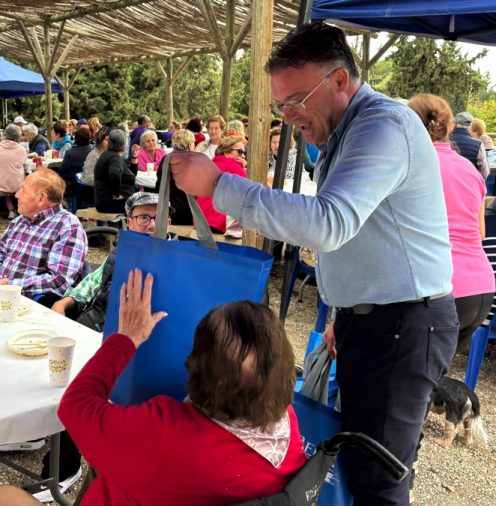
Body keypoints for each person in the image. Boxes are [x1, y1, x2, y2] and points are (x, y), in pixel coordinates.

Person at [169, 22, 458, 505]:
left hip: (404, 324)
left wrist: (220, 186)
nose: (289, 114)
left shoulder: (381, 125)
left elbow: (328, 224)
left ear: (341, 81)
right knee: (365, 458)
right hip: (376, 319)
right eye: (280, 104)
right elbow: (359, 236)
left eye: (297, 98)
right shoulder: (341, 131)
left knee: (377, 478)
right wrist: (343, 312)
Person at [0, 276, 306, 506]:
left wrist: (126, 338)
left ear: (194, 364)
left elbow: (75, 406)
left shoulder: (163, 432)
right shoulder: (286, 423)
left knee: (0, 496)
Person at [408, 94, 495, 351]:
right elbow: (479, 233)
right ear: (451, 127)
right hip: (480, 290)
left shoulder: (413, 164)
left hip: (439, 288)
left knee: (398, 379)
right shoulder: (471, 170)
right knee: (428, 378)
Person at [52, 192, 174, 328]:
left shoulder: (179, 263)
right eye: (144, 218)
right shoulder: (121, 251)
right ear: (130, 223)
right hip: (95, 326)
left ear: (168, 223)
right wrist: (62, 303)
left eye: (160, 218)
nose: (152, 225)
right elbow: (92, 284)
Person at [0, 170, 87, 304]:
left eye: (23, 191)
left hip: (29, 303)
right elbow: (0, 253)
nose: (16, 195)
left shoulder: (68, 226)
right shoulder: (20, 221)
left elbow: (60, 281)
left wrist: (13, 285)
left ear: (41, 198)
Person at [198, 137, 247, 234]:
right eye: (239, 152)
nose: (243, 156)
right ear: (226, 152)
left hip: (201, 219)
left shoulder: (212, 163)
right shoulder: (232, 165)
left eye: (243, 152)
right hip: (217, 222)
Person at [155, 129, 195, 225]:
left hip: (166, 207)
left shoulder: (166, 159)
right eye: (193, 143)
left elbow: (159, 183)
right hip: (186, 210)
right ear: (189, 145)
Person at [0, 123, 27, 219]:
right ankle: (19, 209)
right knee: (15, 179)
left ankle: (11, 210)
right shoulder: (21, 150)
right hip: (15, 184)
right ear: (18, 136)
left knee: (5, 179)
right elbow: (25, 166)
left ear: (5, 134)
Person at [94, 129, 137, 213]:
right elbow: (114, 173)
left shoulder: (111, 155)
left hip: (104, 201)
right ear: (124, 144)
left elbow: (131, 175)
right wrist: (116, 194)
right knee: (145, 205)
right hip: (109, 202)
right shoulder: (114, 158)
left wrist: (134, 157)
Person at [56, 127, 93, 199]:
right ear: (89, 138)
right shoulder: (94, 151)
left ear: (76, 139)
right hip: (91, 185)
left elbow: (61, 170)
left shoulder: (70, 153)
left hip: (73, 186)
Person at [450, 111, 488, 178]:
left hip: (447, 184)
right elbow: (484, 172)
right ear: (470, 126)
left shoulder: (444, 141)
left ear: (454, 124)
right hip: (470, 183)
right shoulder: (478, 144)